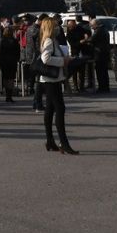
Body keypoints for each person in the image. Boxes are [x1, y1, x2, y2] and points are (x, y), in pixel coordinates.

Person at [35, 16, 77, 153]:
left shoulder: (51, 40)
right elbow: (45, 59)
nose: (58, 28)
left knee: (50, 110)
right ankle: (63, 143)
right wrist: (62, 60)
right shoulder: (49, 41)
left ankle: (50, 140)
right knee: (60, 109)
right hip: (51, 80)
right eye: (55, 26)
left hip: (52, 80)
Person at [88, 15, 111, 93]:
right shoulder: (105, 29)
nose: (91, 27)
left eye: (92, 25)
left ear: (95, 24)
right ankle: (106, 87)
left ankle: (102, 87)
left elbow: (91, 39)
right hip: (105, 52)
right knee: (104, 71)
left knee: (100, 71)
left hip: (100, 53)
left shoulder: (99, 30)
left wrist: (86, 39)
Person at [0, 24, 20, 102]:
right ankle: (9, 96)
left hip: (4, 61)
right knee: (11, 78)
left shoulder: (2, 40)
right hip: (12, 61)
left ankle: (6, 93)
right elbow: (18, 52)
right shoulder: (15, 41)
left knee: (5, 78)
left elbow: (0, 52)